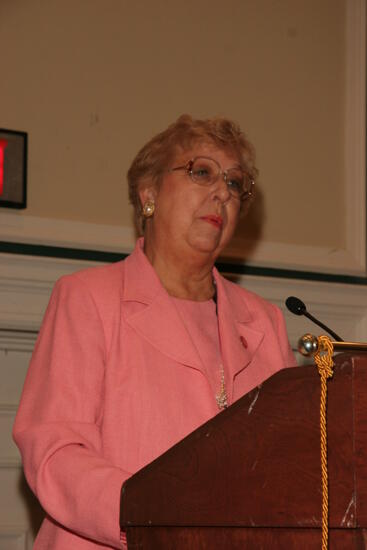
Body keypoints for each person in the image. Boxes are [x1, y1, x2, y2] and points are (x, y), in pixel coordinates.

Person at [13, 114, 297, 549]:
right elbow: (56, 454)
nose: (223, 192)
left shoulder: (265, 321)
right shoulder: (88, 298)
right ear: (149, 194)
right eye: (201, 172)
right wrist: (159, 518)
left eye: (235, 184)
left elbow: (289, 463)